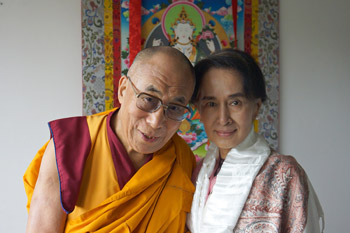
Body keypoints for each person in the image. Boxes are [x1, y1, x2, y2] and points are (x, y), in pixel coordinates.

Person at [24, 46, 197, 232]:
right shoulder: (71, 145)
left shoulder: (181, 160)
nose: (156, 122)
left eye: (175, 108)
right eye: (148, 99)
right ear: (123, 90)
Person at [187, 49, 325, 233]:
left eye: (235, 102)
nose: (223, 118)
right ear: (199, 110)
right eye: (211, 104)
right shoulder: (197, 174)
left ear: (256, 107)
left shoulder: (284, 174)